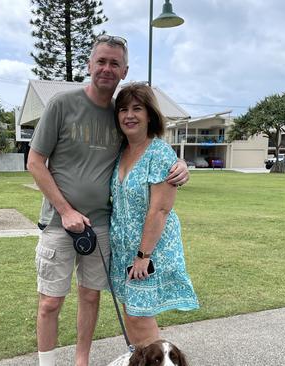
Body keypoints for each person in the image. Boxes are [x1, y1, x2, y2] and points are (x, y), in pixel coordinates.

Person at [26, 35, 189, 366]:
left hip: (103, 228)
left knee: (93, 297)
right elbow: (34, 161)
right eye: (101, 61)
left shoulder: (122, 118)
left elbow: (154, 159)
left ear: (124, 70)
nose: (106, 68)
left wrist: (182, 165)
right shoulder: (62, 105)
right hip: (61, 223)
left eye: (114, 63)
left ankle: (81, 362)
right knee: (49, 303)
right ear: (89, 64)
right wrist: (66, 210)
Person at [109, 83, 199, 347]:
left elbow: (160, 209)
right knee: (131, 312)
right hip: (125, 252)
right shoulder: (121, 152)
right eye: (123, 109)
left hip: (148, 253)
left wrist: (142, 256)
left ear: (150, 114)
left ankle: (155, 361)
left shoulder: (159, 153)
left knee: (139, 317)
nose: (129, 115)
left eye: (137, 108)